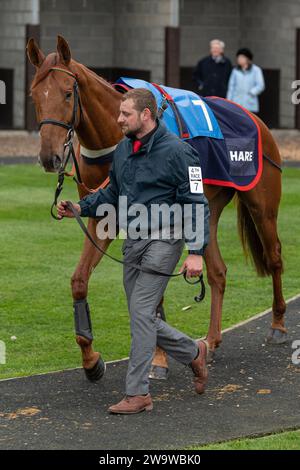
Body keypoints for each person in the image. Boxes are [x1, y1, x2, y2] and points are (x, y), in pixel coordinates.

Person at [57, 88, 210, 415]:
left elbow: (197, 204)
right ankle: (194, 351)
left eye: (125, 114)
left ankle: (138, 393)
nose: (119, 119)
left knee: (141, 311)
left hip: (166, 240)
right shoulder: (124, 150)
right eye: (120, 113)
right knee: (143, 316)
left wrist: (196, 252)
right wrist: (79, 207)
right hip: (134, 241)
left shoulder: (180, 153)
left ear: (146, 115)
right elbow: (112, 191)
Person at [226, 48, 265, 113]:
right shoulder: (235, 71)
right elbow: (231, 87)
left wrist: (251, 93)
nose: (239, 59)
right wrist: (228, 101)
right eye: (238, 57)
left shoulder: (256, 70)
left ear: (248, 59)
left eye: (241, 57)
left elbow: (261, 85)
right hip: (236, 104)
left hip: (250, 104)